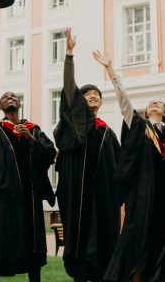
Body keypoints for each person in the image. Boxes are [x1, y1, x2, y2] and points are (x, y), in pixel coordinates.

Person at [93, 50, 165, 282]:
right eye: (151, 102)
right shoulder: (140, 127)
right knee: (137, 244)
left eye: (159, 103)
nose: (154, 103)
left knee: (162, 246)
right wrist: (110, 69)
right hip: (142, 196)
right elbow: (124, 102)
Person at [0, 92, 56, 282]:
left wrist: (30, 139)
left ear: (20, 104)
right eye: (5, 98)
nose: (10, 98)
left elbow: (50, 155)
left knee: (33, 254)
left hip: (30, 200)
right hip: (4, 201)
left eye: (14, 97)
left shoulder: (34, 130)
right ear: (0, 108)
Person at [54, 28, 121, 282]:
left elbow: (120, 166)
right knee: (80, 243)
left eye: (97, 94)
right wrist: (69, 55)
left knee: (104, 243)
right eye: (88, 93)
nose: (93, 95)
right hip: (77, 195)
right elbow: (69, 88)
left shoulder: (107, 133)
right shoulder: (75, 126)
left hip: (102, 199)